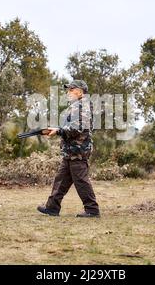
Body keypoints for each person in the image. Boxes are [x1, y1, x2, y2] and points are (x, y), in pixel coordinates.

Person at [37, 80, 100, 218]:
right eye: (68, 90)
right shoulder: (76, 106)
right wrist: (57, 129)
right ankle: (52, 207)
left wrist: (58, 131)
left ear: (80, 91)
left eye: (71, 89)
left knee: (81, 181)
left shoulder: (83, 106)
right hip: (71, 151)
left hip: (78, 151)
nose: (68, 92)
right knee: (60, 180)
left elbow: (77, 128)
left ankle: (92, 210)